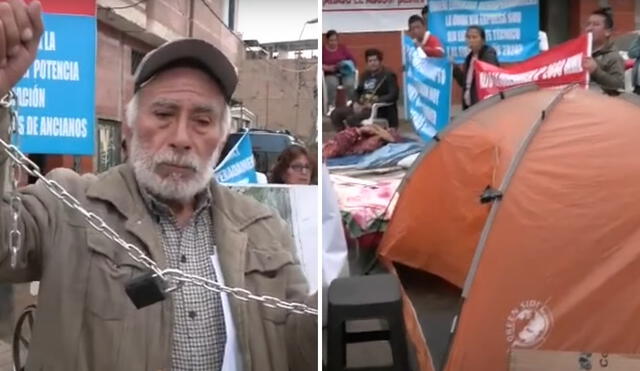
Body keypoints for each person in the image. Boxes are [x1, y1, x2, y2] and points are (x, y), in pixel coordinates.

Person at [0, 2, 316, 370]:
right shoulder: (66, 205)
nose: (181, 138)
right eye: (164, 115)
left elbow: (300, 342)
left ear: (221, 138)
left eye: (202, 120)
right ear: (131, 126)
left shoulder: (265, 228)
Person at [330, 48, 399, 131]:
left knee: (352, 119)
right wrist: (355, 102)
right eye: (370, 61)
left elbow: (393, 95)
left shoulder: (388, 75)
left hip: (378, 109)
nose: (373, 63)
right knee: (335, 114)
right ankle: (344, 136)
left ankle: (361, 137)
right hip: (362, 106)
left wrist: (374, 103)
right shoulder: (365, 75)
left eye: (375, 60)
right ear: (367, 63)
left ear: (380, 61)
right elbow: (357, 91)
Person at [453, 25, 500, 110]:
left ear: (482, 40)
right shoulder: (469, 58)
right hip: (469, 107)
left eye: (474, 37)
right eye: (468, 37)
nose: (471, 40)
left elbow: (491, 73)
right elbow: (464, 82)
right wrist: (454, 68)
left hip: (483, 107)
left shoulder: (488, 53)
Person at [583, 7, 624, 96]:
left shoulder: (613, 57)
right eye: (588, 24)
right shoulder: (582, 53)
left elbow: (619, 86)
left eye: (596, 24)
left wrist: (596, 71)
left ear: (607, 32)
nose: (589, 28)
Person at [323, 30, 356, 108]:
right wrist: (326, 67)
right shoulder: (323, 50)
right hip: (330, 73)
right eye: (331, 40)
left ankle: (351, 104)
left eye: (335, 40)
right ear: (327, 40)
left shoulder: (342, 48)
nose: (333, 42)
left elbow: (352, 60)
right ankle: (331, 106)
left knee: (350, 84)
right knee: (331, 84)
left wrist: (344, 64)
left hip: (344, 73)